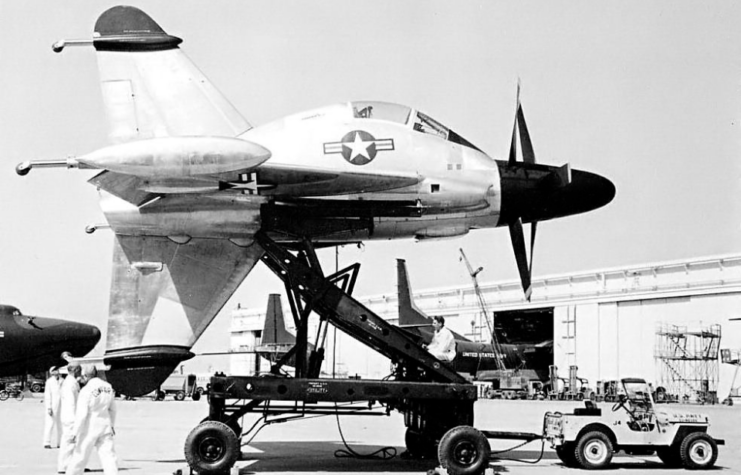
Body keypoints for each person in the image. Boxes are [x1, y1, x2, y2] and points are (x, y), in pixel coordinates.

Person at [65, 365, 118, 475]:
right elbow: (113, 409)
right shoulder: (108, 387)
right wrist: (111, 425)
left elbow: (82, 414)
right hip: (105, 425)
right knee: (109, 457)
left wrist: (75, 432)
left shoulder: (86, 390)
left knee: (80, 457)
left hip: (89, 427)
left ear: (85, 376)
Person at [58, 363, 82, 473]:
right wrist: (75, 419)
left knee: (74, 442)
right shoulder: (69, 384)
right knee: (69, 442)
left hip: (70, 416)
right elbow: (71, 403)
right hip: (71, 417)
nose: (81, 371)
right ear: (75, 370)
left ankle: (74, 464)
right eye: (80, 369)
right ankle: (64, 467)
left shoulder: (72, 382)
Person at [43, 366, 63, 449]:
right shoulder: (49, 381)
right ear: (51, 372)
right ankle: (46, 442)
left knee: (61, 425)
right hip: (52, 405)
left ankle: (60, 443)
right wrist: (49, 407)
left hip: (61, 405)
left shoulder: (63, 380)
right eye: (54, 370)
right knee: (50, 424)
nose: (56, 372)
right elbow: (47, 395)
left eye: (57, 370)